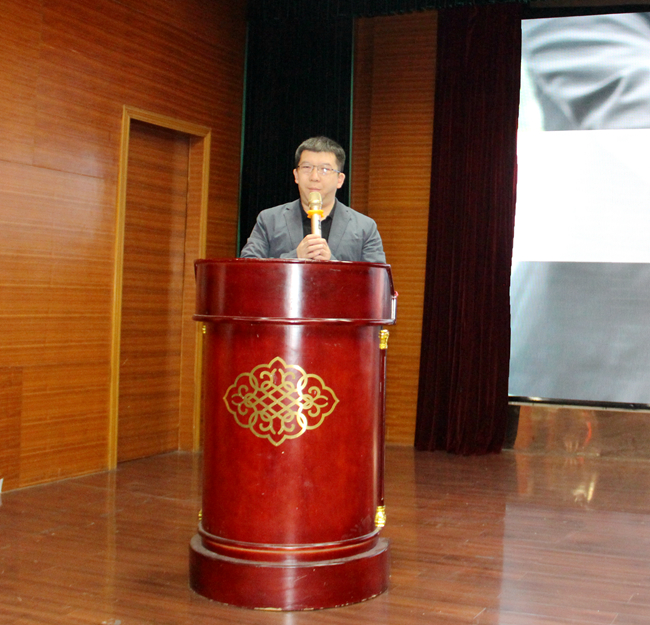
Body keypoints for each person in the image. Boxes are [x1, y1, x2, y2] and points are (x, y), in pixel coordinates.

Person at [240, 136, 386, 263]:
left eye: (325, 169)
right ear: (296, 175)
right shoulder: (269, 220)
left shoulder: (364, 227)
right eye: (306, 167)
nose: (314, 177)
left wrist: (332, 262)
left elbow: (375, 279)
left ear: (340, 180)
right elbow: (248, 267)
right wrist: (295, 257)